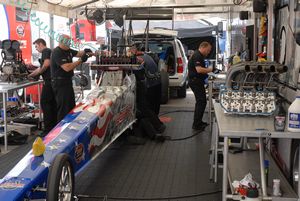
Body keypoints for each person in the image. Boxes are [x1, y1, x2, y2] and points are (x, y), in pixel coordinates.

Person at [50, 34, 92, 122]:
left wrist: (86, 52)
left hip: (67, 82)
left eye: (70, 42)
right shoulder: (57, 52)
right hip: (60, 83)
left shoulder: (67, 50)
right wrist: (80, 60)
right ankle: (61, 129)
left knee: (70, 106)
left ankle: (69, 125)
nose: (69, 44)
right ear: (62, 42)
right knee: (63, 108)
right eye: (68, 42)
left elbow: (78, 53)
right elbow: (67, 67)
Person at [28, 38, 56, 136]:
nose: (36, 49)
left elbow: (46, 65)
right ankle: (53, 127)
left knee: (45, 103)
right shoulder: (49, 51)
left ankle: (48, 129)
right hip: (52, 82)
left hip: (49, 82)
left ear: (40, 44)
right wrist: (31, 75)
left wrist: (38, 73)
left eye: (36, 46)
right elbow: (41, 67)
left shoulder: (46, 51)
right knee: (51, 104)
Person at [188, 42, 213, 132]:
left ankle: (198, 122)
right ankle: (196, 124)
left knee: (201, 102)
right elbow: (199, 70)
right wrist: (210, 70)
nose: (208, 52)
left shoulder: (199, 55)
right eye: (208, 50)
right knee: (201, 102)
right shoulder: (197, 56)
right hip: (195, 81)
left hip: (197, 81)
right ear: (203, 47)